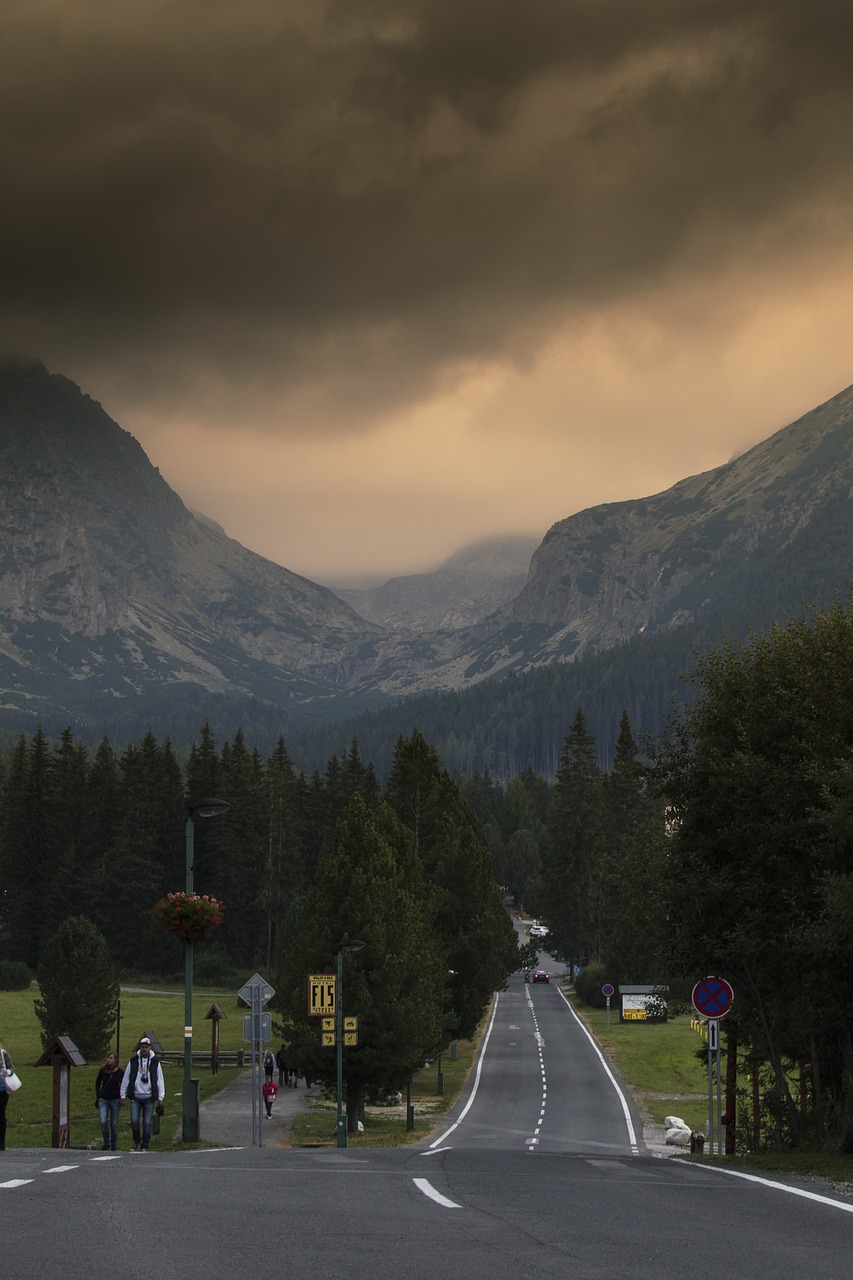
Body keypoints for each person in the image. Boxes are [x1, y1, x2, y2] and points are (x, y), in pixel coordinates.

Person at [120, 1037, 165, 1151]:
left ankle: (145, 1144)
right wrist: (122, 1094)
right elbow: (126, 1077)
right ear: (140, 1047)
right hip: (135, 1096)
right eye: (142, 1047)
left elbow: (160, 1079)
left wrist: (160, 1097)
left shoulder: (155, 1061)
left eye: (146, 1047)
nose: (144, 1049)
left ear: (150, 1048)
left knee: (147, 1122)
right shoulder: (134, 1060)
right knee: (134, 1120)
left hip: (149, 1097)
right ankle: (136, 1139)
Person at [95, 1050, 122, 1151]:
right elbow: (98, 1083)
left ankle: (114, 1144)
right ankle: (106, 1142)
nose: (108, 1060)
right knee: (103, 1121)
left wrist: (122, 1097)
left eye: (111, 1058)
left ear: (115, 1060)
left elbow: (123, 1085)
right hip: (104, 1099)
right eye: (108, 1058)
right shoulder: (103, 1071)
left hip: (115, 1099)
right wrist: (98, 1096)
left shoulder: (119, 1072)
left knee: (114, 1124)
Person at [0, 1041, 17, 1151]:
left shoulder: (3, 1054)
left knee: (1, 1114)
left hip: (2, 1090)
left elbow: (12, 1068)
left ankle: (1, 1143)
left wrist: (8, 1072)